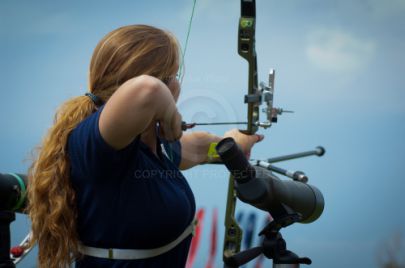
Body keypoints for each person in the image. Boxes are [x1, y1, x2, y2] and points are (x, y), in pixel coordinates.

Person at [27, 24, 263, 268]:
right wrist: (172, 118)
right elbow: (147, 90)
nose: (178, 85)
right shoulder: (98, 144)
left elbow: (199, 147)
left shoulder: (154, 146)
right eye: (174, 76)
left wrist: (236, 142)